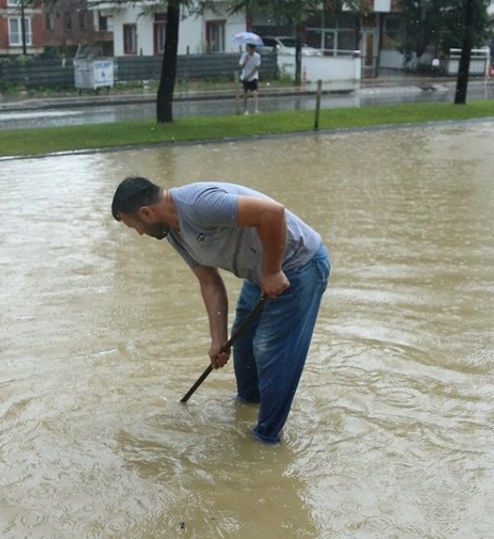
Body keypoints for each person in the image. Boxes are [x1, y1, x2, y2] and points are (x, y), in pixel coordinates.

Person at [111, 176, 330, 443]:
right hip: (260, 273)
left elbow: (272, 213)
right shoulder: (175, 234)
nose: (139, 233)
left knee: (269, 348)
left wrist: (272, 272)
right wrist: (218, 340)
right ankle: (248, 406)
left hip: (298, 264)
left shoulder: (199, 204)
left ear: (146, 213)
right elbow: (210, 282)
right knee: (244, 345)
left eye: (133, 225)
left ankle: (265, 438)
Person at [238, 43, 261, 115]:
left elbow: (256, 67)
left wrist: (250, 75)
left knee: (255, 92)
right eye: (250, 48)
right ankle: (246, 110)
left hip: (253, 76)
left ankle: (256, 109)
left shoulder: (257, 56)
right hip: (245, 75)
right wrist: (245, 61)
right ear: (248, 48)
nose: (251, 50)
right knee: (245, 93)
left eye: (253, 48)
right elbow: (240, 66)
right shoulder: (244, 55)